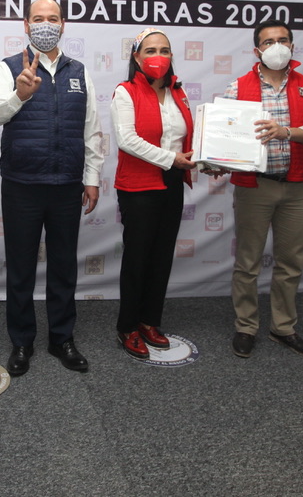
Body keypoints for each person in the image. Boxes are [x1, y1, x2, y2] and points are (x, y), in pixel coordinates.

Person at [0, 0, 104, 376]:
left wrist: (91, 178)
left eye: (53, 18)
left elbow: (91, 130)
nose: (45, 24)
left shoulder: (79, 71)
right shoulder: (7, 68)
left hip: (66, 184)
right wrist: (19, 94)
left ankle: (61, 338)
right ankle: (22, 341)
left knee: (63, 267)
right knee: (20, 268)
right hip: (22, 184)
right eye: (38, 18)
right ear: (26, 25)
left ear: (63, 24)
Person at [218, 22, 303, 359]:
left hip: (296, 188)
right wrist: (216, 158)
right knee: (247, 262)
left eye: (283, 40)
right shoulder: (237, 87)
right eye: (268, 42)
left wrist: (286, 132)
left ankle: (283, 327)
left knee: (290, 262)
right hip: (255, 187)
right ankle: (246, 326)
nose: (276, 46)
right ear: (257, 50)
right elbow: (223, 135)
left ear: (293, 46)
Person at [111, 28, 196, 359]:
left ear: (171, 56)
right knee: (138, 258)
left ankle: (149, 321)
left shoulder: (179, 92)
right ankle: (127, 327)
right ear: (136, 57)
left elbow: (186, 139)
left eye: (164, 50)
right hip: (138, 186)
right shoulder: (126, 92)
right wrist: (171, 158)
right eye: (150, 50)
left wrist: (205, 160)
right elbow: (127, 140)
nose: (158, 56)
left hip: (172, 182)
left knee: (161, 256)